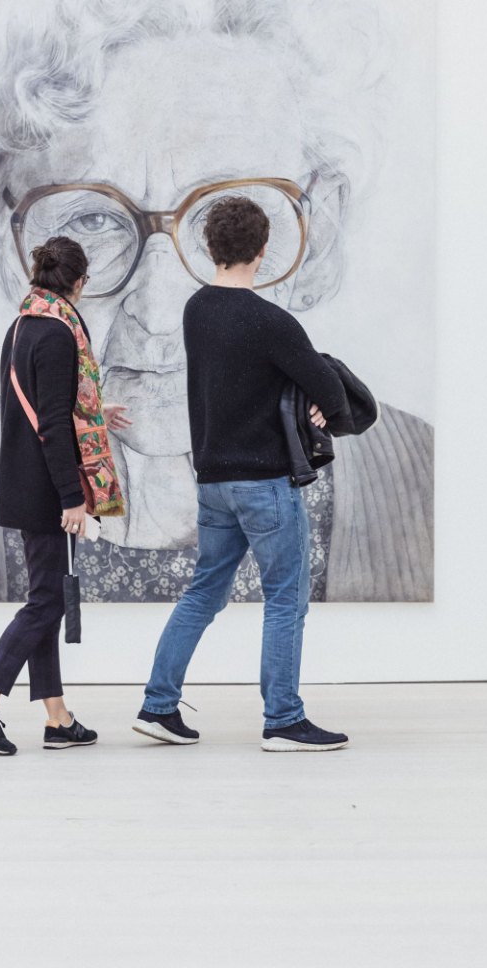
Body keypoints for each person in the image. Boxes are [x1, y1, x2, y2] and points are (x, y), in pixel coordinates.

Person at [0, 0, 432, 604]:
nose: (157, 310)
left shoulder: (428, 479)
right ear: (10, 242)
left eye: (226, 216)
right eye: (92, 218)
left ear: (318, 232)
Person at [133, 196, 351, 752]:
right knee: (285, 600)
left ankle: (158, 707)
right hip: (265, 484)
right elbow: (331, 393)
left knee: (203, 593)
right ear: (262, 250)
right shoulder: (272, 322)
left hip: (213, 482)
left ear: (210, 247)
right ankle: (283, 720)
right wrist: (319, 404)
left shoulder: (195, 311)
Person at [0, 236, 130, 756]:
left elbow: (42, 403)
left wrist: (94, 412)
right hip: (47, 490)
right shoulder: (57, 333)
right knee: (46, 601)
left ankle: (57, 719)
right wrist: (72, 498)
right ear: (79, 282)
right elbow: (50, 421)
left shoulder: (24, 325)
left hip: (27, 480)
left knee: (47, 598)